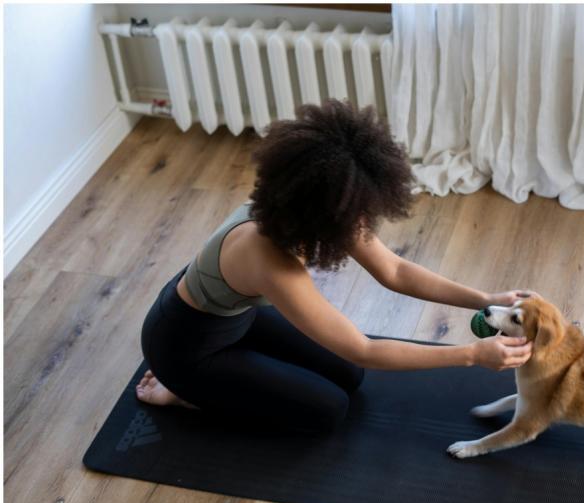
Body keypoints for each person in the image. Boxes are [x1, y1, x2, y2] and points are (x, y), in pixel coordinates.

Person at [137, 99, 534, 433]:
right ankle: (185, 392)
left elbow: (394, 272)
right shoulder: (267, 257)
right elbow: (364, 349)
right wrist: (471, 355)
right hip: (185, 345)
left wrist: (485, 298)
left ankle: (219, 379)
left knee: (349, 376)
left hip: (236, 317)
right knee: (326, 411)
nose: (363, 224)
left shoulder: (320, 209)